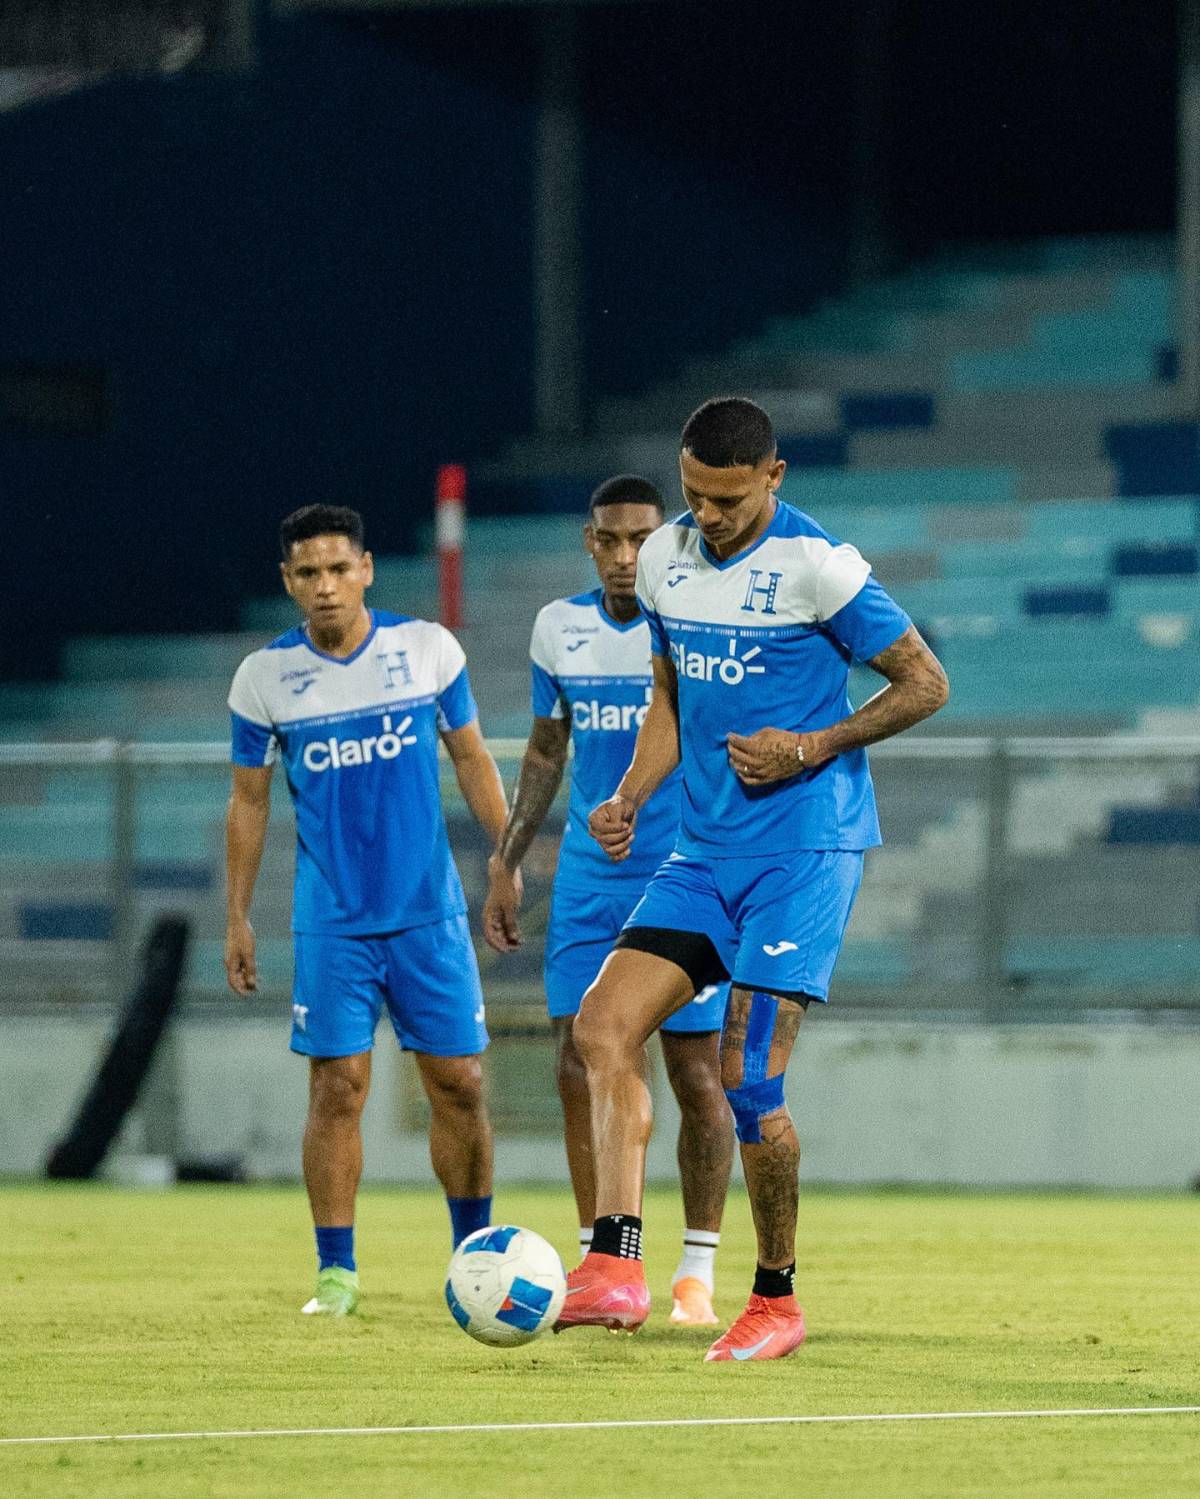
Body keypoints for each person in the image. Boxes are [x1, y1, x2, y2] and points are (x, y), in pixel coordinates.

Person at [560, 398, 950, 1360]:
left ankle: (776, 1298)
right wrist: (630, 794)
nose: (709, 515)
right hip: (702, 854)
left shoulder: (821, 567)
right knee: (600, 1026)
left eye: (728, 500)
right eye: (694, 495)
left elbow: (926, 682)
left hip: (803, 854)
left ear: (774, 477)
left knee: (747, 1077)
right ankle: (615, 1261)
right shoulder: (665, 557)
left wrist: (811, 744)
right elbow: (670, 695)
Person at [224, 504, 512, 1317]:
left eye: (338, 568)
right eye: (308, 572)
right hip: (333, 921)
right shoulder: (263, 678)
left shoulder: (425, 649)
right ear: (288, 581)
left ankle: (473, 1258)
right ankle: (336, 1273)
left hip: (428, 914)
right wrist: (237, 915)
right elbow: (249, 802)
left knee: (460, 1083)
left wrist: (506, 858)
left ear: (367, 569)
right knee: (337, 1087)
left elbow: (472, 758)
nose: (325, 585)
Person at [482, 475, 734, 1327]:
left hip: (683, 871)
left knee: (696, 1072)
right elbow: (545, 752)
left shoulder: (696, 621)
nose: (627, 555)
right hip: (591, 880)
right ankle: (602, 1257)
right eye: (611, 539)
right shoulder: (558, 628)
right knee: (577, 1057)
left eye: (642, 539)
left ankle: (696, 1271)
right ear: (589, 542)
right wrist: (507, 859)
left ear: (666, 541)